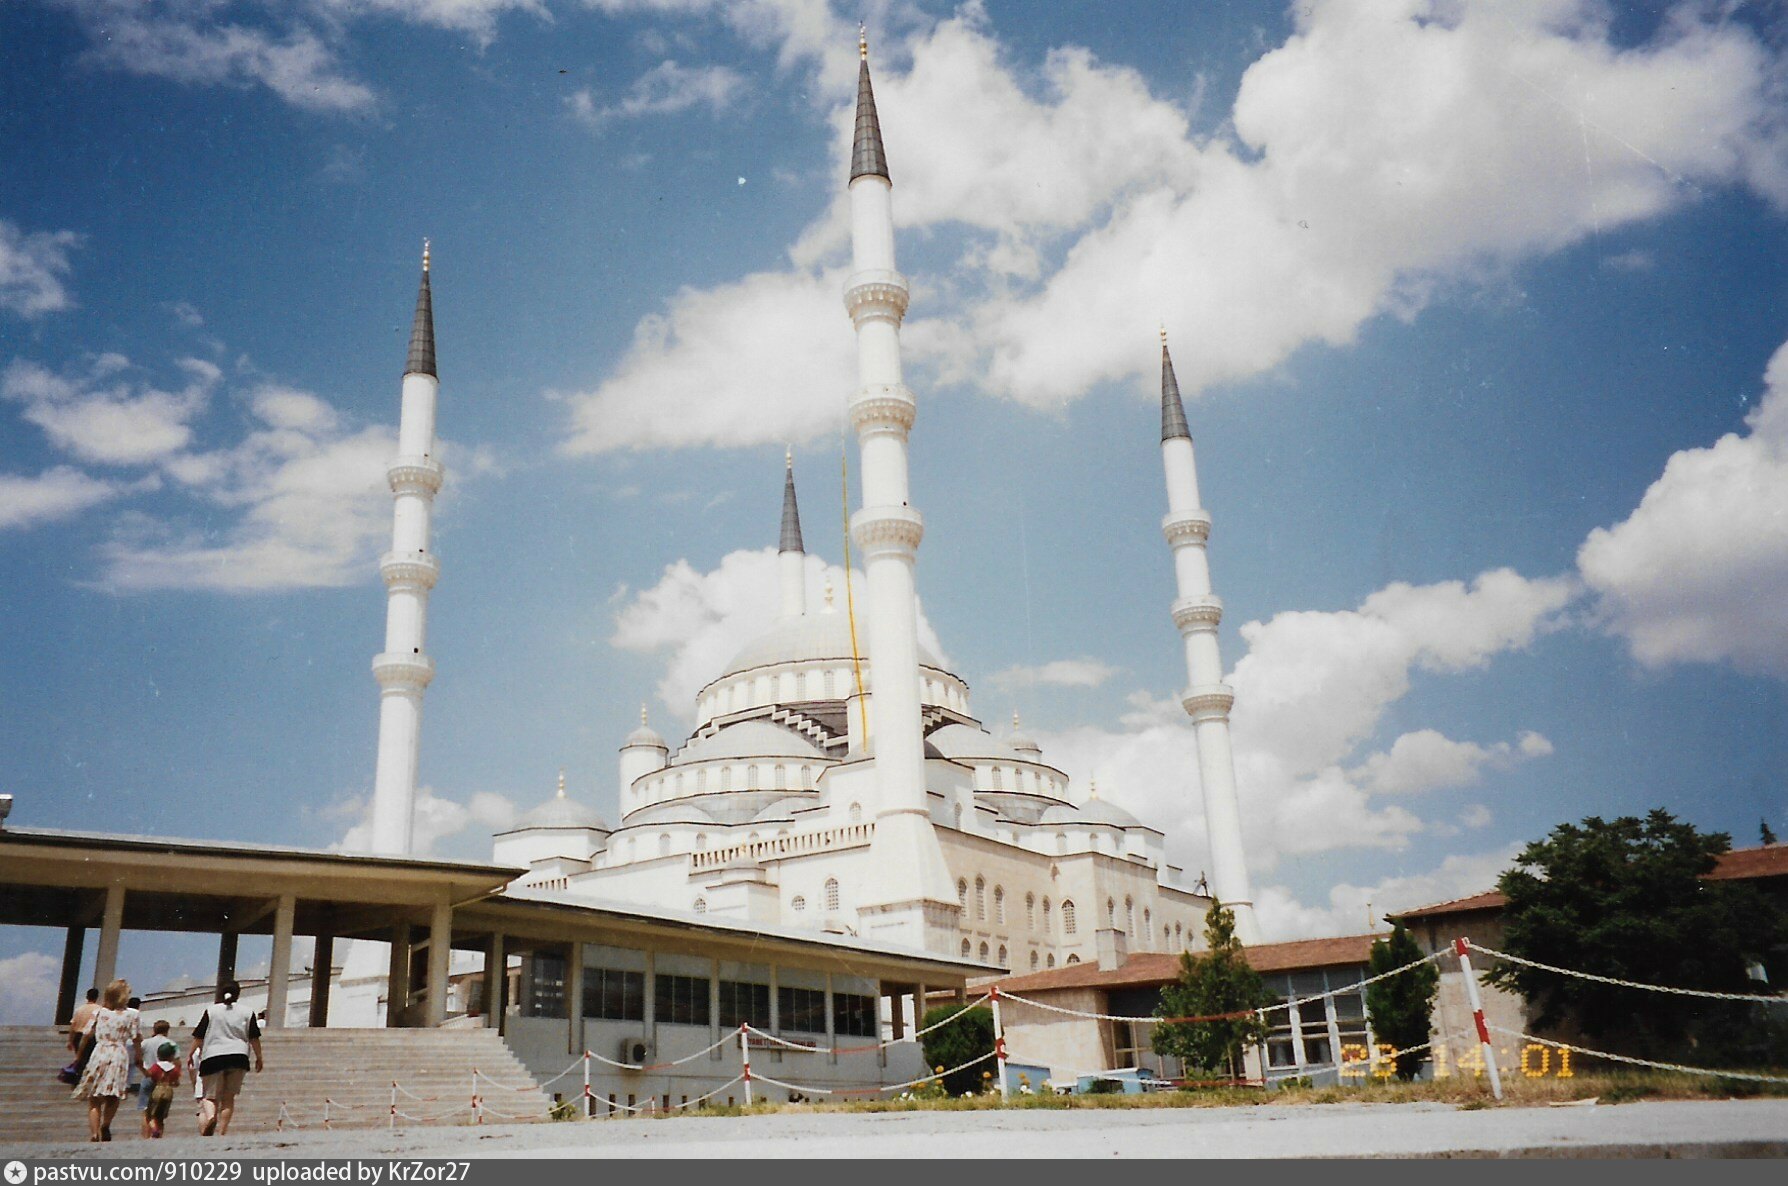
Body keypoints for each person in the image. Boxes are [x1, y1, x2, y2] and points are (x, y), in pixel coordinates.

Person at [188, 981, 262, 1137]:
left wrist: (190, 1053)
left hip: (213, 1057)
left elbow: (199, 1036)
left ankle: (211, 1117)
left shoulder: (212, 1011)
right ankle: (222, 1131)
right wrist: (259, 1058)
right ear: (238, 994)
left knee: (210, 1096)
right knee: (228, 1098)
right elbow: (254, 1037)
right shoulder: (247, 1012)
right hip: (239, 1057)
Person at [71, 978, 140, 1142]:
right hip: (119, 1054)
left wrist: (79, 1056)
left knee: (94, 1098)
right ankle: (106, 1124)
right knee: (113, 1096)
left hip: (100, 1052)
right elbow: (136, 1037)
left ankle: (94, 1134)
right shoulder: (132, 1015)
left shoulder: (99, 1013)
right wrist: (139, 1056)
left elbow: (86, 1035)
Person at [141, 1029, 181, 1139]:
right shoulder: (174, 1069)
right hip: (168, 1091)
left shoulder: (156, 1066)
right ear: (172, 1056)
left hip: (157, 1089)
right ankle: (160, 1134)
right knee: (161, 1116)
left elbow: (149, 1075)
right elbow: (176, 1083)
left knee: (150, 1115)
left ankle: (154, 1129)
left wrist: (142, 1068)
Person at [66, 988, 99, 1054]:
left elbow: (72, 1026)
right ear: (97, 997)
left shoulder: (79, 1009)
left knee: (80, 1060)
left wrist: (70, 1041)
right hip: (91, 1038)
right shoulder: (99, 1009)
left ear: (87, 997)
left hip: (78, 1036)